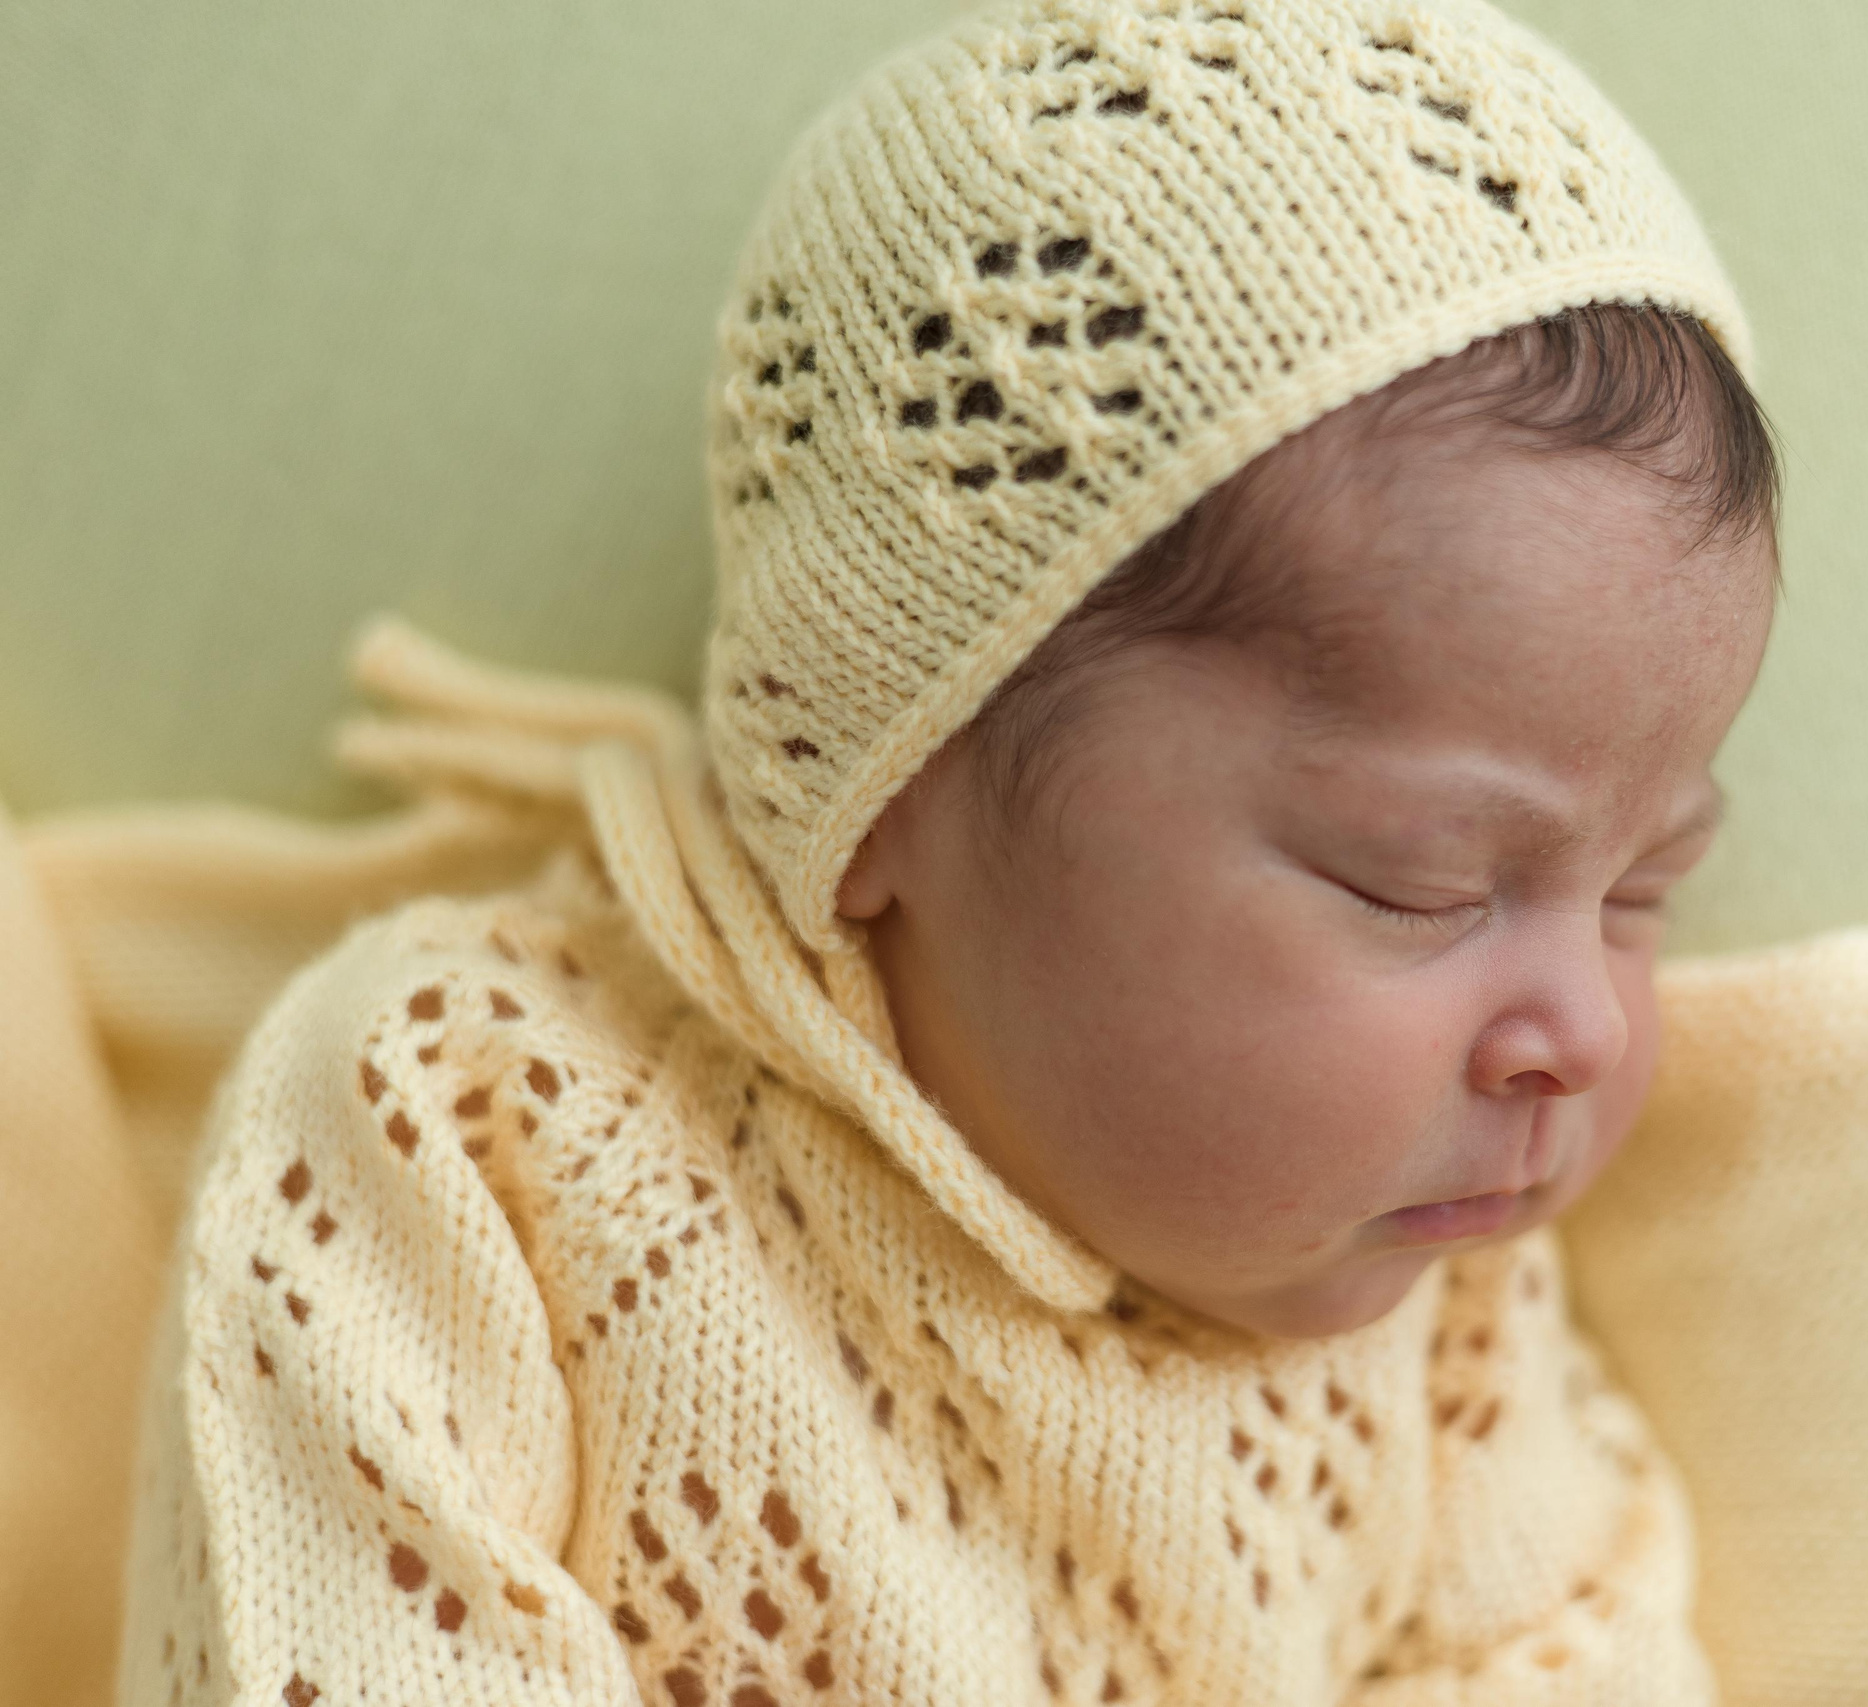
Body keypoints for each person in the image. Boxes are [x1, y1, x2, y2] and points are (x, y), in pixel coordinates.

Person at [116, 0, 1780, 1700]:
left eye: (1646, 891)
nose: (1581, 1027)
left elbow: (1584, 1645)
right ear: (881, 775)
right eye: (1421, 881)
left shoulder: (1450, 1311)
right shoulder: (477, 1130)